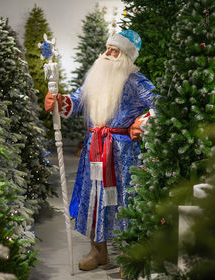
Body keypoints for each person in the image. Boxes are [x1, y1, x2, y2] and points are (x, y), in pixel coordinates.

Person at [44, 30, 158, 271]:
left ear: (126, 56)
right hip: (94, 149)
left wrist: (142, 123)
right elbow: (77, 100)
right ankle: (98, 251)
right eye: (108, 48)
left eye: (114, 50)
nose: (107, 53)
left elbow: (162, 106)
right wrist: (59, 101)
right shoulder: (95, 78)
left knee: (125, 199)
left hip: (122, 153)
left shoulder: (138, 82)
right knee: (94, 197)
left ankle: (131, 254)